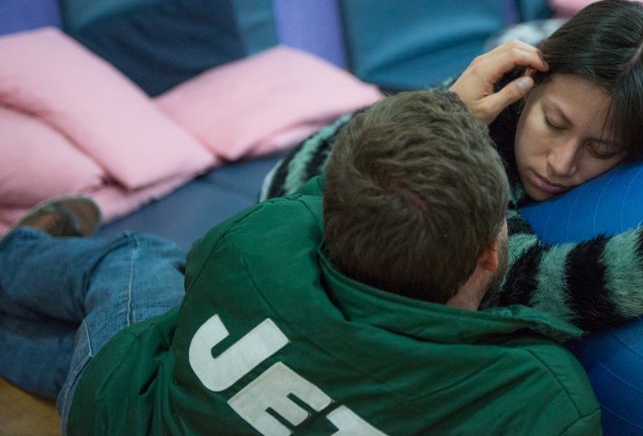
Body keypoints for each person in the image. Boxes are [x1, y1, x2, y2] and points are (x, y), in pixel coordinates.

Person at [1, 91, 604, 435]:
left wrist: (448, 104)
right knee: (146, 264)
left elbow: (340, 187)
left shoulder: (257, 243)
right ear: (491, 254)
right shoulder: (541, 397)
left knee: (146, 258)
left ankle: (22, 251)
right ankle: (14, 254)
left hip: (114, 414)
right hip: (123, 409)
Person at [263, 0, 643, 331]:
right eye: (554, 123)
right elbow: (535, 288)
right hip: (297, 194)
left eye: (603, 149)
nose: (562, 163)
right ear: (530, 83)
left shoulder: (625, 103)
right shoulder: (485, 148)